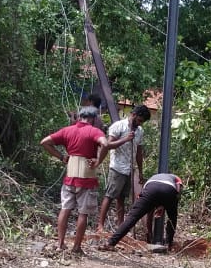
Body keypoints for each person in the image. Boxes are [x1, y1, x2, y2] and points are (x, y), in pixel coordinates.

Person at [41, 106, 108, 254]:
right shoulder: (94, 131)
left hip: (69, 177)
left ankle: (60, 244)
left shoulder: (67, 130)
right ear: (93, 118)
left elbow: (45, 142)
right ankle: (76, 247)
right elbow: (105, 144)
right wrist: (98, 161)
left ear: (79, 117)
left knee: (65, 209)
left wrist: (61, 157)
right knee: (82, 213)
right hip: (87, 178)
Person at [96, 104, 151, 232]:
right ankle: (100, 225)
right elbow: (108, 145)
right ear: (134, 115)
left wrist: (140, 171)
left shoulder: (139, 131)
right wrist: (125, 139)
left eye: (142, 122)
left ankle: (120, 226)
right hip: (117, 168)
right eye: (139, 120)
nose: (140, 124)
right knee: (110, 196)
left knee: (122, 198)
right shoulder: (118, 126)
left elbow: (139, 152)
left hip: (129, 168)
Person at [98, 173, 183, 252]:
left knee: (132, 217)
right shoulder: (176, 177)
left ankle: (110, 243)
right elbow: (178, 189)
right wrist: (172, 202)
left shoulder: (155, 177)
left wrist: (149, 234)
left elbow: (149, 215)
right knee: (172, 218)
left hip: (150, 189)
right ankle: (169, 244)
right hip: (169, 190)